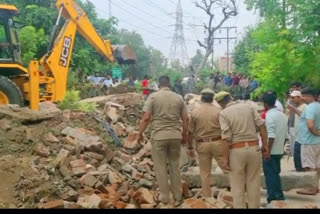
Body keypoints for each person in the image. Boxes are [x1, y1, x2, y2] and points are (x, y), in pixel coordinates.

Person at [137, 76, 188, 207]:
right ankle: (178, 196)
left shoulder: (153, 97)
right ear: (169, 84)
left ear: (159, 85)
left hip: (159, 136)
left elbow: (146, 118)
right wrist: (184, 135)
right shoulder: (179, 98)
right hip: (175, 136)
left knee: (160, 167)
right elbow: (185, 119)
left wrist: (140, 134)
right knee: (174, 166)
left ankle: (164, 197)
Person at [215, 91, 268, 208]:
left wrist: (224, 158)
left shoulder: (223, 113)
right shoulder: (248, 107)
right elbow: (262, 125)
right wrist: (265, 145)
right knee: (253, 183)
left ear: (220, 103)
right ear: (231, 97)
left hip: (236, 151)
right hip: (254, 148)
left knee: (237, 185)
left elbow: (226, 138)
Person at [187, 88, 230, 198]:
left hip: (202, 144)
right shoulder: (219, 111)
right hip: (218, 143)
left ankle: (207, 198)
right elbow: (226, 130)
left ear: (201, 98)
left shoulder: (195, 112)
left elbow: (190, 132)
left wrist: (190, 147)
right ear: (212, 100)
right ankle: (237, 192)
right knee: (227, 169)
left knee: (205, 173)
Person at [262, 92, 288, 204]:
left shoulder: (269, 116)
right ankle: (279, 195)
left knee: (270, 175)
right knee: (275, 173)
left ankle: (272, 197)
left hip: (271, 150)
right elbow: (285, 135)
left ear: (265, 104)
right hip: (279, 150)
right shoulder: (282, 115)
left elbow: (271, 135)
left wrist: (267, 150)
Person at [295, 87, 320, 195]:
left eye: (304, 96)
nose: (303, 98)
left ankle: (311, 188)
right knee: (317, 165)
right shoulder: (318, 106)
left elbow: (310, 124)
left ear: (310, 96)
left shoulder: (310, 107)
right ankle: (315, 186)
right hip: (316, 141)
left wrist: (315, 132)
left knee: (310, 166)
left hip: (308, 141)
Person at [286, 91, 307, 171]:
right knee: (294, 149)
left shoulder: (304, 106)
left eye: (293, 97)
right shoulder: (294, 105)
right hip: (292, 129)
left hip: (300, 132)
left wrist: (293, 109)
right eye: (291, 97)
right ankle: (297, 167)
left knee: (299, 150)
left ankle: (301, 167)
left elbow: (303, 116)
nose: (292, 99)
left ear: (299, 97)